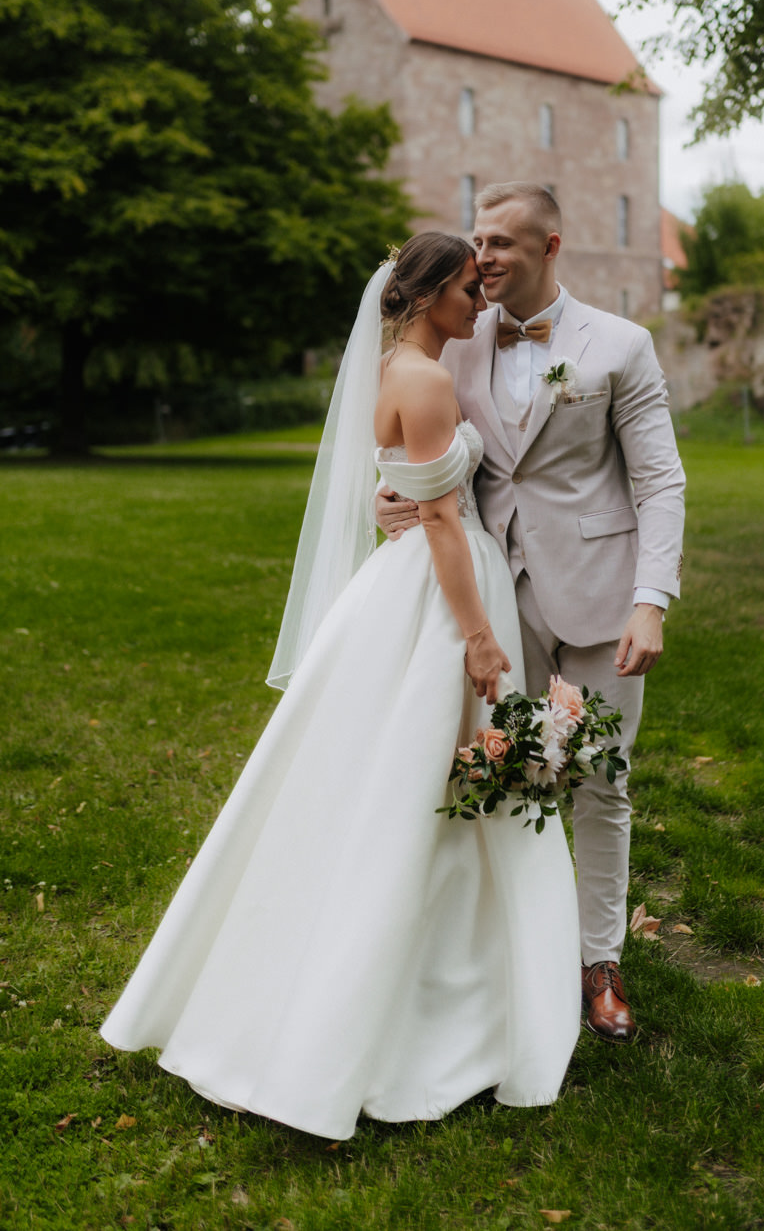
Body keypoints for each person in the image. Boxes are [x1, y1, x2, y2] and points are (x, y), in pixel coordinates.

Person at [100, 233, 581, 1140]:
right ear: (432, 290)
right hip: (440, 599)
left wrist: (387, 504)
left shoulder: (391, 367)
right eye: (469, 290)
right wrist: (479, 638)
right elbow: (439, 519)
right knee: (433, 785)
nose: (480, 302)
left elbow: (392, 482)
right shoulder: (431, 382)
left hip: (390, 593)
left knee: (384, 784)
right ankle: (415, 1017)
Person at [377, 185, 685, 1042]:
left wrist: (650, 601)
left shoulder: (620, 345)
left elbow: (660, 480)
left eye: (505, 243)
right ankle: (511, 956)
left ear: (553, 244)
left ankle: (600, 964)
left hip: (600, 596)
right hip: (490, 602)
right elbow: (426, 456)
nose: (486, 258)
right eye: (478, 241)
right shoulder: (456, 341)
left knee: (601, 783)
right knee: (497, 775)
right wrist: (388, 498)